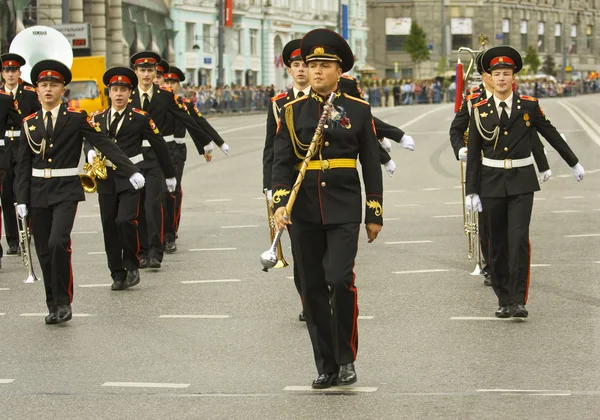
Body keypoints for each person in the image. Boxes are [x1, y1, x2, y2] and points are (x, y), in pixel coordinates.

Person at [272, 29, 383, 388]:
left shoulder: (359, 110)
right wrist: (278, 203)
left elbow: (370, 164)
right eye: (312, 65)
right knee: (313, 288)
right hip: (303, 210)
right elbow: (281, 162)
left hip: (344, 207)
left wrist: (374, 212)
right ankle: (326, 364)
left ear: (339, 71)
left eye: (324, 65)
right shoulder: (291, 112)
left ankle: (346, 357)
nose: (316, 71)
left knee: (339, 279)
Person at [15, 60, 145, 324]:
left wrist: (130, 169)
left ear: (63, 89)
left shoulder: (75, 118)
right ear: (37, 90)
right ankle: (52, 304)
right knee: (43, 251)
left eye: (54, 84)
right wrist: (20, 199)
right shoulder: (28, 123)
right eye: (43, 85)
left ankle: (64, 303)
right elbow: (22, 164)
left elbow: (104, 143)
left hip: (65, 190)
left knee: (58, 243)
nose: (48, 89)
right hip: (37, 192)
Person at [465, 46, 584, 319]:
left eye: (506, 74)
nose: (502, 79)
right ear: (490, 79)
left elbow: (550, 134)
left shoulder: (528, 106)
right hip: (491, 182)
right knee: (496, 245)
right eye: (497, 74)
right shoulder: (479, 110)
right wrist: (472, 190)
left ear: (513, 77)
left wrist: (572, 161)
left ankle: (518, 300)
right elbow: (473, 153)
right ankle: (503, 298)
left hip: (521, 181)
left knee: (518, 240)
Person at [450, 51, 552, 286]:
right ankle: (490, 265)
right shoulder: (472, 101)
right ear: (486, 76)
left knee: (513, 229)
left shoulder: (520, 102)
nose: (495, 78)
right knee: (488, 224)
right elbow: (456, 130)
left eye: (503, 73)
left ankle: (507, 272)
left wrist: (542, 163)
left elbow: (531, 134)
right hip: (486, 169)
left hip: (514, 172)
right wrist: (460, 150)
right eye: (491, 74)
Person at [85, 67, 176, 290]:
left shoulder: (140, 118)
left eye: (123, 90)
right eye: (115, 90)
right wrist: (88, 151)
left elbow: (160, 146)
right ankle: (117, 272)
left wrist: (170, 174)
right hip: (106, 178)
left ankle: (132, 265)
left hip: (131, 177)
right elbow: (87, 138)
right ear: (109, 92)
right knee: (109, 226)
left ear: (129, 93)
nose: (118, 94)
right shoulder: (97, 117)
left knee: (125, 221)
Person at [129, 51, 211, 269]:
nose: (147, 75)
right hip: (134, 158)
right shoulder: (127, 96)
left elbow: (188, 119)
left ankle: (158, 248)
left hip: (160, 155)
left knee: (155, 203)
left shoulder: (165, 96)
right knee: (139, 206)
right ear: (135, 72)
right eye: (142, 70)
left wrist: (206, 143)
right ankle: (142, 251)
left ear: (157, 73)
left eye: (150, 71)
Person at [262, 39, 310, 321]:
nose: (302, 70)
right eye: (296, 65)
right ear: (289, 70)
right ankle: (308, 300)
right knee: (301, 248)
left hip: (317, 179)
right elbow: (271, 146)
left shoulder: (323, 98)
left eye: (305, 64)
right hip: (288, 185)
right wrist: (269, 186)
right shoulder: (278, 104)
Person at [162, 66, 230, 252]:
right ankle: (158, 232)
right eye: (166, 82)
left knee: (173, 191)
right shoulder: (156, 102)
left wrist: (218, 143)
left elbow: (199, 125)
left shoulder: (185, 105)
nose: (169, 86)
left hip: (176, 151)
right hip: (156, 151)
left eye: (173, 83)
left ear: (178, 85)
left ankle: (170, 233)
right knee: (156, 193)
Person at [0, 53, 40, 256]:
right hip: (4, 147)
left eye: (13, 71)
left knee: (22, 190)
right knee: (6, 194)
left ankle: (27, 231)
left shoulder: (30, 94)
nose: (10, 74)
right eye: (7, 71)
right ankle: (13, 240)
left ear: (19, 73)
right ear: (2, 74)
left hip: (23, 145)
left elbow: (36, 118)